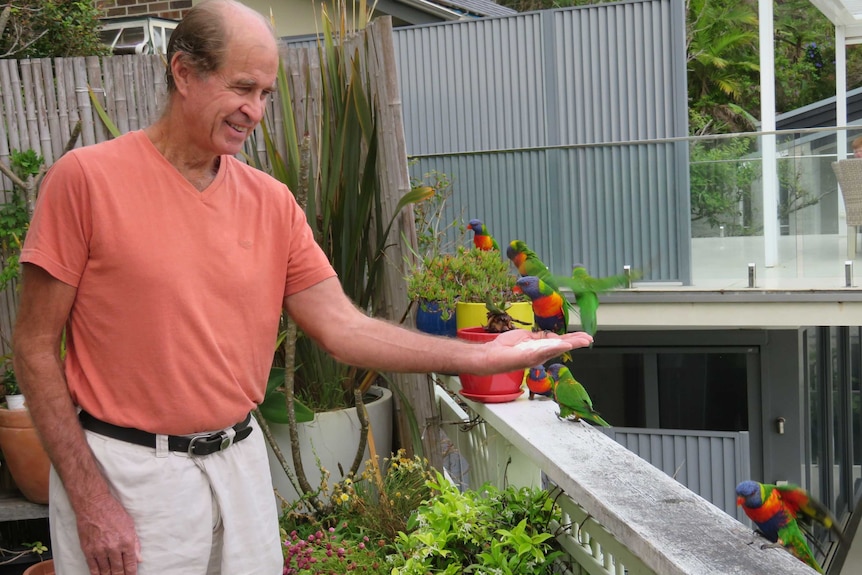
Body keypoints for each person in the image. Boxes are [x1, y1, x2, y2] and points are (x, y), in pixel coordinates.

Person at [11, 1, 593, 574]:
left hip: (240, 468)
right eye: (243, 88)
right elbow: (35, 347)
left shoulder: (271, 203)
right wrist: (89, 497)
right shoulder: (86, 181)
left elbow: (343, 329)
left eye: (266, 93)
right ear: (184, 73)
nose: (256, 111)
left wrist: (481, 354)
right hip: (129, 476)